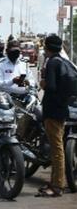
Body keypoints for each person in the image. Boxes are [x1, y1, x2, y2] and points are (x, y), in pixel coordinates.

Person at [36, 34, 68, 197]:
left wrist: (43, 80)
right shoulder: (62, 61)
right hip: (61, 109)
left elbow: (51, 86)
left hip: (53, 109)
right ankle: (55, 181)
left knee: (56, 148)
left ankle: (57, 186)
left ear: (47, 47)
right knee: (57, 146)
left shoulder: (52, 63)